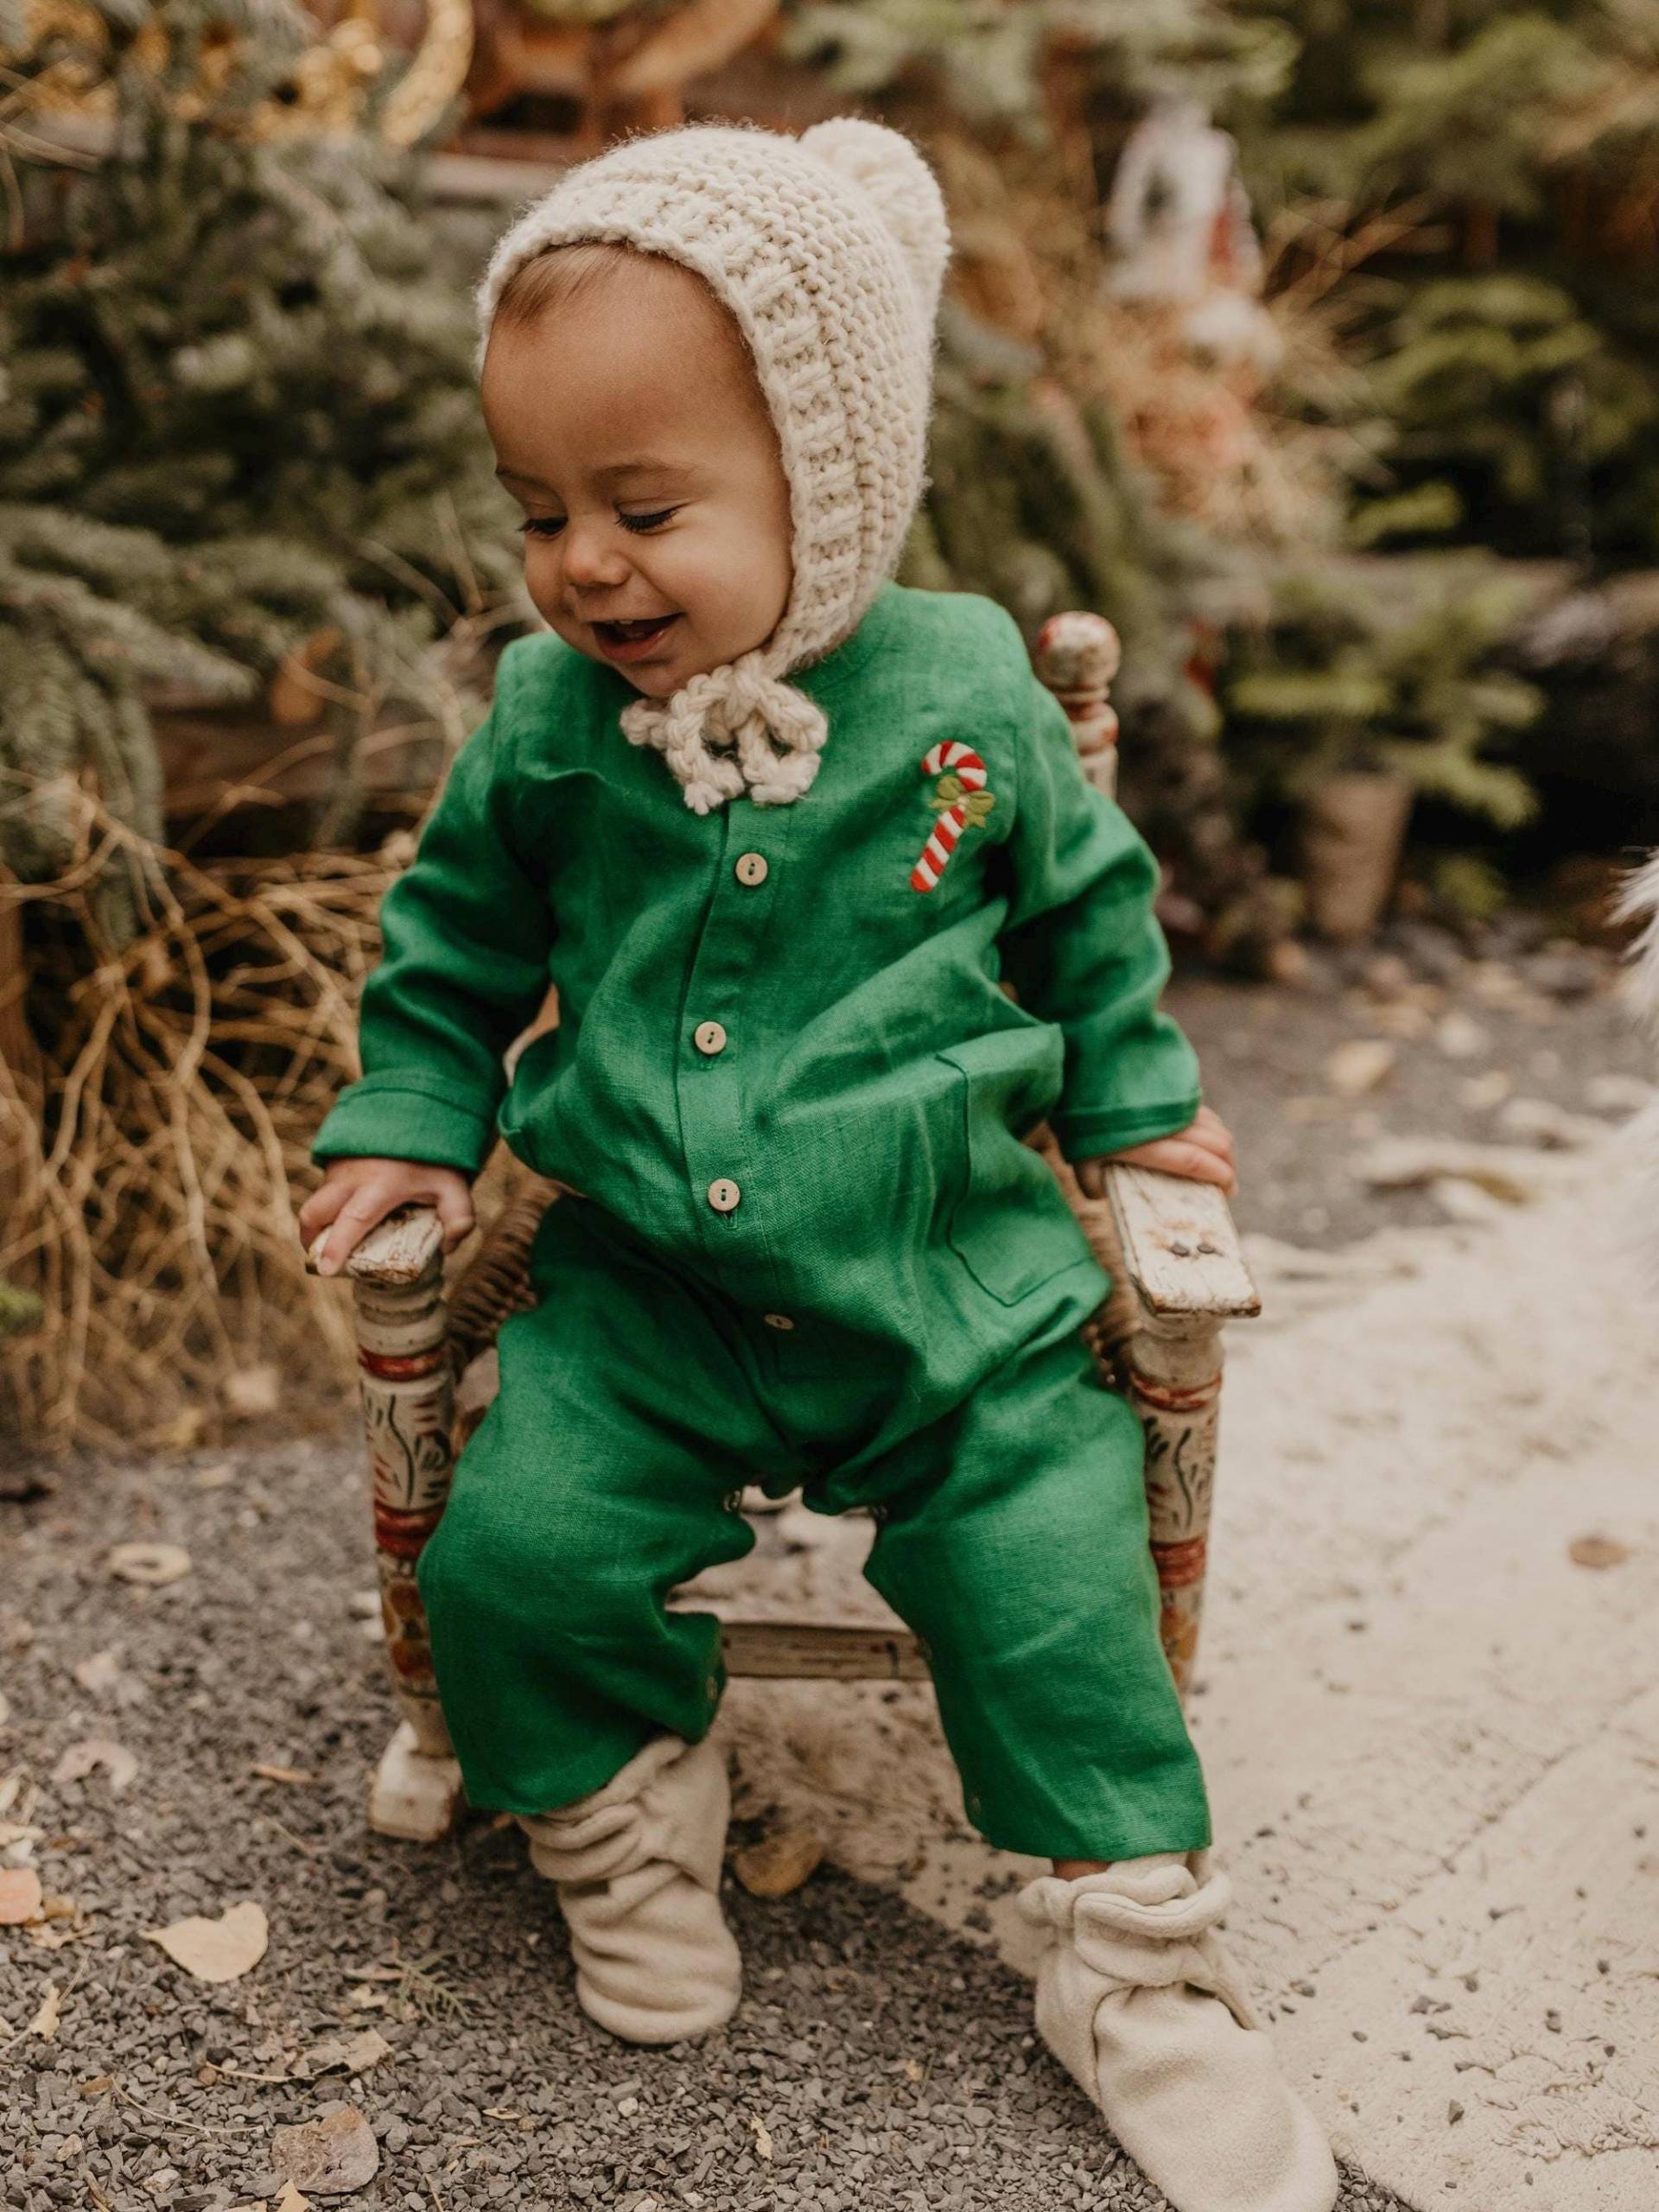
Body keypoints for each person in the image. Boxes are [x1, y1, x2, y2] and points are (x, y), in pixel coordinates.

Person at [299, 119, 1337, 2212]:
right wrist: (414, 1113)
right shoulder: (546, 713)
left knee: (1053, 1576)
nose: (584, 563)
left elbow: (1090, 913)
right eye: (541, 514)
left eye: (645, 506)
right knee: (517, 1554)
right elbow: (453, 945)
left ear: (828, 478)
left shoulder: (964, 688)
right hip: (639, 1296)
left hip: (946, 1279)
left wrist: (1135, 1103)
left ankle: (1134, 1956)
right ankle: (626, 1802)